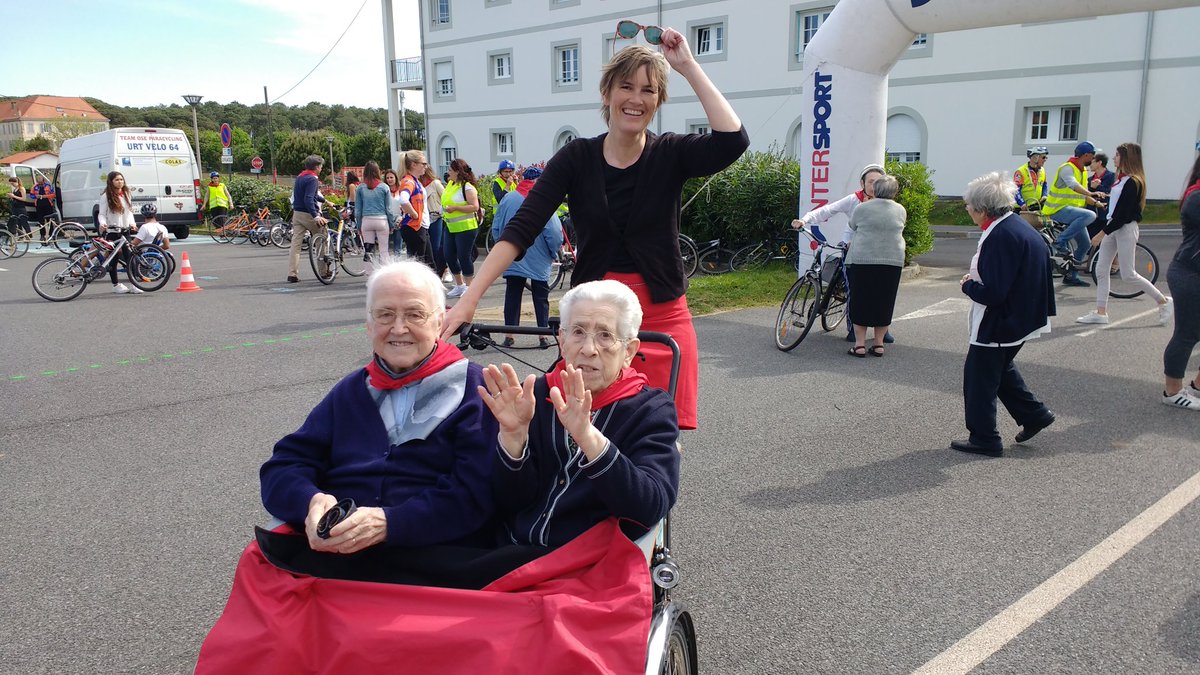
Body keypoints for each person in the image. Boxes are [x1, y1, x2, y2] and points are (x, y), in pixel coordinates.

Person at [441, 34, 749, 432]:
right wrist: (470, 298)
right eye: (625, 86)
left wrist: (687, 65)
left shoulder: (671, 152)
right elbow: (522, 229)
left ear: (657, 102)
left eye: (648, 90)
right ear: (606, 93)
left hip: (661, 317)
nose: (635, 98)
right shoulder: (576, 157)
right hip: (591, 319)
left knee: (654, 442)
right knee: (575, 430)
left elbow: (732, 141)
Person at [260, 259, 497, 553]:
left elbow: (478, 493)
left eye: (415, 314)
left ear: (440, 322)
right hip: (339, 549)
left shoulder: (475, 388)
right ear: (369, 325)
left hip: (435, 558)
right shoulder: (351, 390)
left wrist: (390, 523)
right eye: (385, 315)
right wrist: (309, 500)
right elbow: (284, 466)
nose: (399, 328)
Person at [479, 279, 680, 547]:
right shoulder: (534, 396)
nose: (588, 349)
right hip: (514, 549)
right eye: (578, 332)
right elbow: (511, 501)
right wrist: (514, 441)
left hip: (595, 562)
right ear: (562, 341)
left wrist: (589, 438)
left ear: (629, 351)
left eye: (605, 335)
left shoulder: (650, 410)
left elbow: (649, 508)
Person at [953, 171, 1057, 456]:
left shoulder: (1000, 236)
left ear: (983, 209)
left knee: (979, 378)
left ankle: (985, 438)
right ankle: (1035, 414)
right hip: (1022, 317)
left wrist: (969, 286)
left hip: (1002, 320)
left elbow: (995, 293)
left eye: (970, 206)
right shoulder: (1017, 226)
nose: (967, 210)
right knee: (999, 368)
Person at [792, 163, 896, 344]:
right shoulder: (854, 201)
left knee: (882, 292)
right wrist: (805, 220)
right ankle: (854, 330)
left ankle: (883, 329)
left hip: (880, 253)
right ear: (862, 184)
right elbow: (828, 210)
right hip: (855, 251)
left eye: (878, 182)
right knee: (854, 291)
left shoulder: (891, 206)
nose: (874, 186)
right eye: (870, 182)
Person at [1075, 143, 1171, 326]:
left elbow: (1124, 215)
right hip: (1114, 226)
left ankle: (1163, 301)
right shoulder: (1122, 180)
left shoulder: (1133, 182)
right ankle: (1101, 312)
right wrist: (1105, 199)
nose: (1113, 158)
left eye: (1117, 155)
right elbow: (1118, 208)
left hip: (1124, 228)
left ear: (1126, 157)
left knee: (1128, 274)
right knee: (1101, 269)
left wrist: (1101, 233)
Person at [492, 166, 563, 349]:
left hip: (513, 253)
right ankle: (543, 336)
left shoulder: (509, 197)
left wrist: (503, 247)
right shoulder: (543, 199)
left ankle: (510, 335)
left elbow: (497, 227)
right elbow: (554, 231)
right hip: (538, 255)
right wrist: (554, 251)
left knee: (513, 294)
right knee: (540, 295)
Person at [844, 174, 906, 357]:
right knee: (884, 301)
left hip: (863, 259)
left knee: (860, 300)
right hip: (892, 261)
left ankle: (860, 345)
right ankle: (879, 344)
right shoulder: (900, 210)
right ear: (894, 192)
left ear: (875, 190)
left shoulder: (862, 208)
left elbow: (852, 225)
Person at [1161, 154, 1200, 410]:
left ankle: (1197, 386)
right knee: (1187, 334)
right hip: (1189, 273)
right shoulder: (1196, 196)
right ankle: (1173, 391)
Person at [1044, 141, 1107, 287]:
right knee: (1090, 216)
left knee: (1085, 244)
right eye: (1093, 155)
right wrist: (1091, 192)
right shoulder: (1067, 168)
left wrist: (1096, 203)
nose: (1093, 158)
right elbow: (1073, 185)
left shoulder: (1082, 171)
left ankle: (1071, 276)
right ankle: (1060, 241)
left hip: (1073, 212)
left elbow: (1082, 195)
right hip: (1057, 210)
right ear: (1086, 155)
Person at [96, 171, 144, 295]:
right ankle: (116, 285)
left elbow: (129, 212)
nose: (120, 182)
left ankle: (134, 285)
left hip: (125, 231)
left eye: (121, 179)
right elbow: (101, 214)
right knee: (114, 259)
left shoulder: (126, 194)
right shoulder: (106, 196)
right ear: (111, 181)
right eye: (117, 180)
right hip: (113, 232)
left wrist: (132, 223)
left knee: (130, 257)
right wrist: (102, 223)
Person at [441, 158, 481, 298]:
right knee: (449, 255)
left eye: (451, 170)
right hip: (451, 226)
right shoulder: (450, 184)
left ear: (458, 172)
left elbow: (475, 206)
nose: (448, 172)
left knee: (464, 256)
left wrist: (455, 208)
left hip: (466, 228)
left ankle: (470, 287)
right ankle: (460, 285)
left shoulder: (468, 187)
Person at [288, 155, 330, 283]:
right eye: (321, 166)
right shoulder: (313, 179)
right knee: (322, 239)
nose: (321, 168)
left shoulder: (300, 177)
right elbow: (309, 198)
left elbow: (311, 195)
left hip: (297, 214)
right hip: (308, 214)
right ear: (316, 166)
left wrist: (325, 200)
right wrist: (316, 216)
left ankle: (292, 273)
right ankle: (323, 272)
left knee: (296, 244)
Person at [354, 161, 397, 274]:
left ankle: (369, 274)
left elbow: (357, 210)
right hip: (382, 220)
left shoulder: (361, 188)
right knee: (384, 250)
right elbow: (389, 209)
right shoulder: (384, 187)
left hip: (366, 221)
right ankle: (385, 274)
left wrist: (359, 226)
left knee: (368, 250)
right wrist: (391, 224)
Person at [396, 150, 431, 267]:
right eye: (423, 163)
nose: (426, 166)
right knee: (419, 265)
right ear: (413, 165)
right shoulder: (409, 181)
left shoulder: (414, 181)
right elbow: (403, 199)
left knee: (428, 264)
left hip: (419, 226)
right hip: (415, 227)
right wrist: (414, 214)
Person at [421, 165, 450, 284]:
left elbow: (446, 197)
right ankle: (432, 271)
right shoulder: (418, 185)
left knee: (436, 246)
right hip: (424, 218)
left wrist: (442, 210)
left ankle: (445, 270)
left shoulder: (435, 183)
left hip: (436, 217)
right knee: (427, 247)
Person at [1013, 146, 1049, 227]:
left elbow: (1044, 185)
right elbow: (1016, 190)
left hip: (1036, 206)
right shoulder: (1021, 171)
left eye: (1046, 157)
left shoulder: (1042, 170)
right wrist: (1022, 204)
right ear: (1035, 158)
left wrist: (1044, 195)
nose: (1045, 159)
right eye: (1043, 157)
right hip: (1022, 209)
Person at [1088, 151, 1115, 235]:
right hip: (1092, 214)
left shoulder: (1112, 177)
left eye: (1092, 162)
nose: (1090, 165)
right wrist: (1092, 188)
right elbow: (1087, 194)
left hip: (1105, 214)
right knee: (1090, 240)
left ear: (1099, 163)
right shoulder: (1089, 179)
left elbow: (1110, 192)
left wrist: (1097, 187)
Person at [382, 168, 404, 255]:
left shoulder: (401, 190)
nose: (390, 180)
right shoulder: (384, 191)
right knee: (385, 246)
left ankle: (397, 264)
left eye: (391, 177)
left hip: (399, 219)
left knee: (397, 246)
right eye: (387, 178)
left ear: (395, 178)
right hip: (387, 219)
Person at [30, 173, 56, 239]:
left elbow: (53, 195)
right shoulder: (34, 186)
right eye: (38, 180)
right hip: (39, 205)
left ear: (43, 180)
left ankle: (51, 234)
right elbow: (31, 195)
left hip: (48, 204)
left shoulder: (48, 186)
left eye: (40, 179)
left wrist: (44, 196)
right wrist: (36, 196)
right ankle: (42, 235)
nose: (39, 181)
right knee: (40, 221)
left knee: (50, 220)